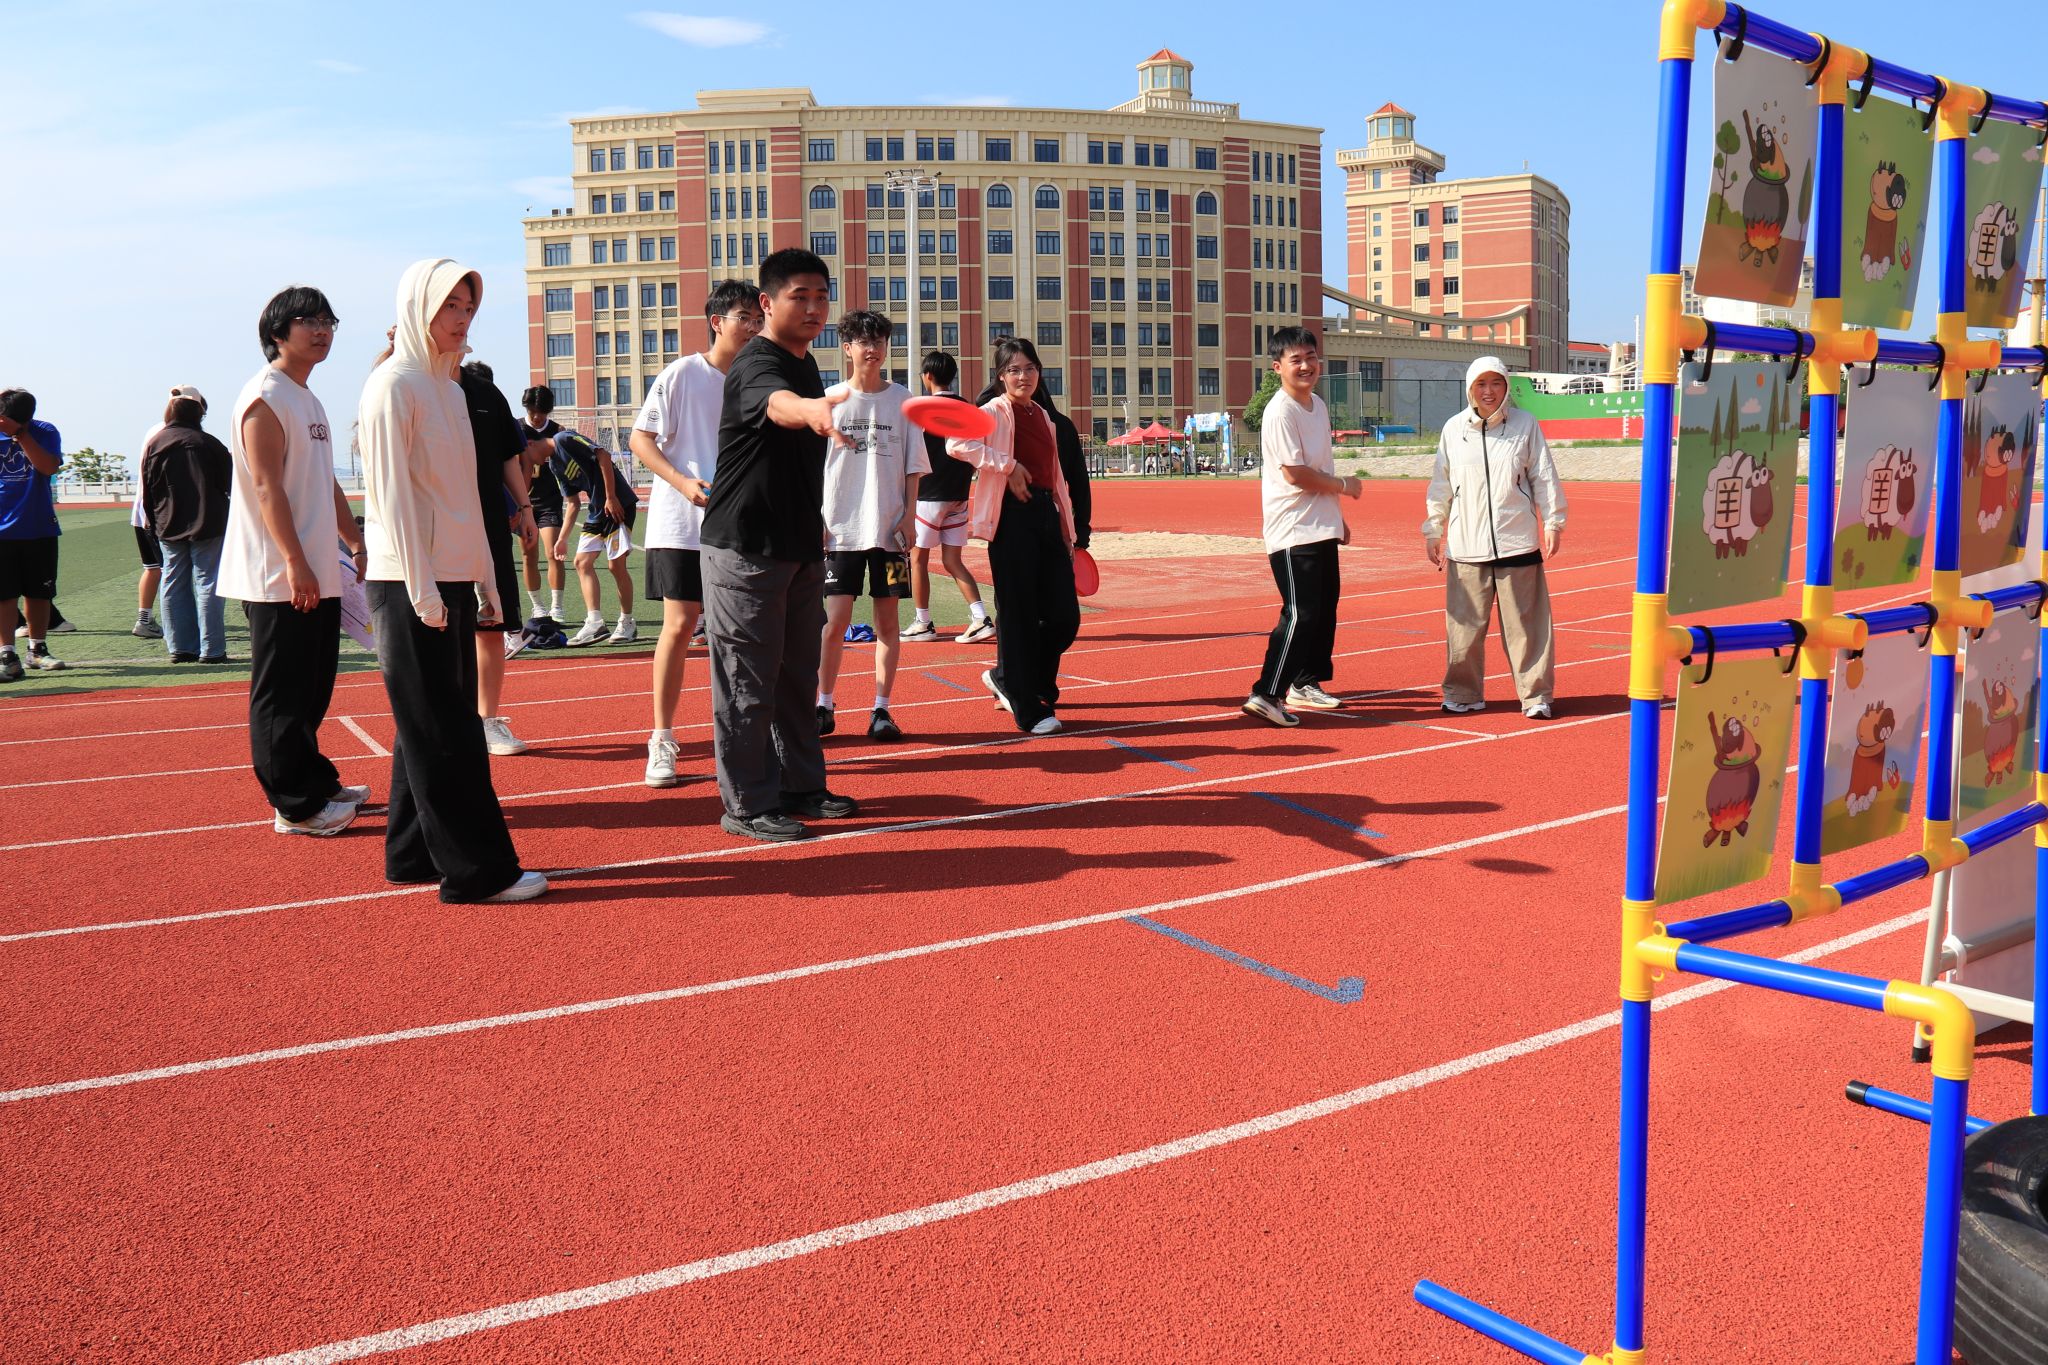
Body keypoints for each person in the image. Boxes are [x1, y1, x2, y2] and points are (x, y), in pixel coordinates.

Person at [358, 257, 544, 901]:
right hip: (411, 582)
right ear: (418, 309)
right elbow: (391, 500)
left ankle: (411, 854)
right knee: (447, 732)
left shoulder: (452, 390)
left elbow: (468, 494)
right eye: (450, 308)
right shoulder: (392, 386)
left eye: (469, 308)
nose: (463, 320)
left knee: (432, 722)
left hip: (454, 578)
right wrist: (423, 589)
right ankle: (478, 873)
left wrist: (485, 578)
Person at [700, 246, 860, 841]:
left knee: (796, 676)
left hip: (798, 545)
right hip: (745, 547)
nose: (815, 307)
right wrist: (813, 410)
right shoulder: (756, 362)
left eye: (822, 296)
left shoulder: (806, 362)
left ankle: (800, 786)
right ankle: (746, 804)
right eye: (800, 296)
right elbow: (779, 405)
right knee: (747, 680)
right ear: (767, 303)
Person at [219, 286, 370, 834]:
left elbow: (324, 481)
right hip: (278, 573)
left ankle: (314, 780)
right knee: (282, 692)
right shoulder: (264, 396)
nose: (322, 329)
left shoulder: (307, 397)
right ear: (277, 333)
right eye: (308, 320)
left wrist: (354, 542)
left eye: (329, 320)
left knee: (313, 685)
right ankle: (294, 805)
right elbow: (266, 486)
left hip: (317, 567)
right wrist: (294, 561)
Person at [630, 279, 762, 787]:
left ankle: (745, 738)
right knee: (681, 624)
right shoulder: (684, 373)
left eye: (758, 319)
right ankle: (661, 738)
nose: (753, 327)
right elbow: (641, 439)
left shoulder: (758, 382)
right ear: (717, 322)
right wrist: (683, 482)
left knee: (739, 634)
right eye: (744, 318)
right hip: (681, 526)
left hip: (738, 526)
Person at [947, 338, 1082, 736]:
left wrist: (1068, 529)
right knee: (1018, 613)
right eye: (1014, 370)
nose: (1024, 376)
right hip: (1010, 519)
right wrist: (1007, 465)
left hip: (1046, 515)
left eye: (1030, 368)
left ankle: (1009, 677)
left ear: (1039, 372)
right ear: (1001, 376)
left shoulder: (1044, 417)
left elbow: (1056, 477)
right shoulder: (992, 411)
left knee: (1064, 617)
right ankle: (1025, 703)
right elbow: (957, 443)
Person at [1423, 354, 1567, 720]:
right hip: (1466, 547)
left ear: (1506, 386)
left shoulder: (1525, 425)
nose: (1489, 391)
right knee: (1463, 630)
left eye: (1496, 383)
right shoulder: (1453, 429)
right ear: (1470, 388)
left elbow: (1543, 476)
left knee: (1527, 628)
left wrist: (1553, 522)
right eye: (1481, 384)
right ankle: (1463, 693)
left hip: (1517, 541)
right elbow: (1441, 484)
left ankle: (1536, 695)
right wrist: (1434, 528)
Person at [815, 310, 928, 742]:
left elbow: (914, 466)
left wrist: (909, 515)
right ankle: (824, 705)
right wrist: (818, 518)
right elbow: (813, 470)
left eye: (879, 340)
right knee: (834, 623)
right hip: (840, 529)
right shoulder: (830, 400)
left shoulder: (903, 401)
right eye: (864, 341)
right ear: (847, 348)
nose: (872, 348)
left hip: (890, 532)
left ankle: (882, 709)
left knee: (888, 625)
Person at [1241, 328, 1361, 727]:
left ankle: (1304, 683)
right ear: (1278, 367)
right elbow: (1295, 473)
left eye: (1311, 357)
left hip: (1320, 525)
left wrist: (1336, 518)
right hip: (1293, 529)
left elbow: (1319, 466)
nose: (1306, 365)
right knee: (1300, 613)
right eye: (1296, 360)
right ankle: (1266, 693)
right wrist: (1344, 486)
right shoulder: (1281, 412)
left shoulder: (1318, 405)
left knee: (1324, 610)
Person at [459, 361, 539, 756]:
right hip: (435, 530)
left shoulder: (487, 395)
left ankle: (488, 720)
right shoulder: (413, 385)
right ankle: (453, 720)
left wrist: (524, 509)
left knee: (490, 624)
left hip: (489, 527)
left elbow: (511, 458)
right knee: (440, 626)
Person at [902, 350, 994, 644]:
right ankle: (980, 617)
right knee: (953, 559)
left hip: (929, 495)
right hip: (959, 494)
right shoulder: (968, 409)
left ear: (927, 376)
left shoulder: (922, 410)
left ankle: (923, 622)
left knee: (918, 559)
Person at [142, 386, 234, 663]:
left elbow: (148, 489)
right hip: (209, 521)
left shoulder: (155, 443)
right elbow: (230, 484)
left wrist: (152, 523)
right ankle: (212, 649)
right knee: (208, 583)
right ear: (199, 412)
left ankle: (180, 647)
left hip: (168, 521)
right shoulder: (209, 443)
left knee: (172, 581)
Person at [547, 426, 638, 646]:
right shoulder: (554, 466)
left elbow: (603, 455)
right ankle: (595, 622)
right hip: (597, 510)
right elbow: (573, 503)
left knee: (616, 566)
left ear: (531, 443)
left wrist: (611, 497)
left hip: (618, 504)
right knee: (581, 562)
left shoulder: (564, 439)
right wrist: (562, 539)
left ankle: (627, 622)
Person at [0, 389, 67, 679]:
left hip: (39, 526)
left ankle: (37, 649)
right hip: (1, 530)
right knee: (4, 595)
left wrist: (20, 435)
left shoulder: (44, 431)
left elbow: (48, 467)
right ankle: (6, 652)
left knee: (40, 593)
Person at [517, 387, 569, 623]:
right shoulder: (516, 428)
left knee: (553, 553)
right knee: (528, 555)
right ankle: (537, 606)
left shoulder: (558, 432)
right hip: (523, 503)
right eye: (532, 411)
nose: (537, 416)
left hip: (550, 502)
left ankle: (557, 607)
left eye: (542, 412)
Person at [129, 481, 163, 639]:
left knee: (153, 569)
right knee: (171, 571)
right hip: (158, 514)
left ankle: (144, 620)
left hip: (144, 514)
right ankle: (178, 622)